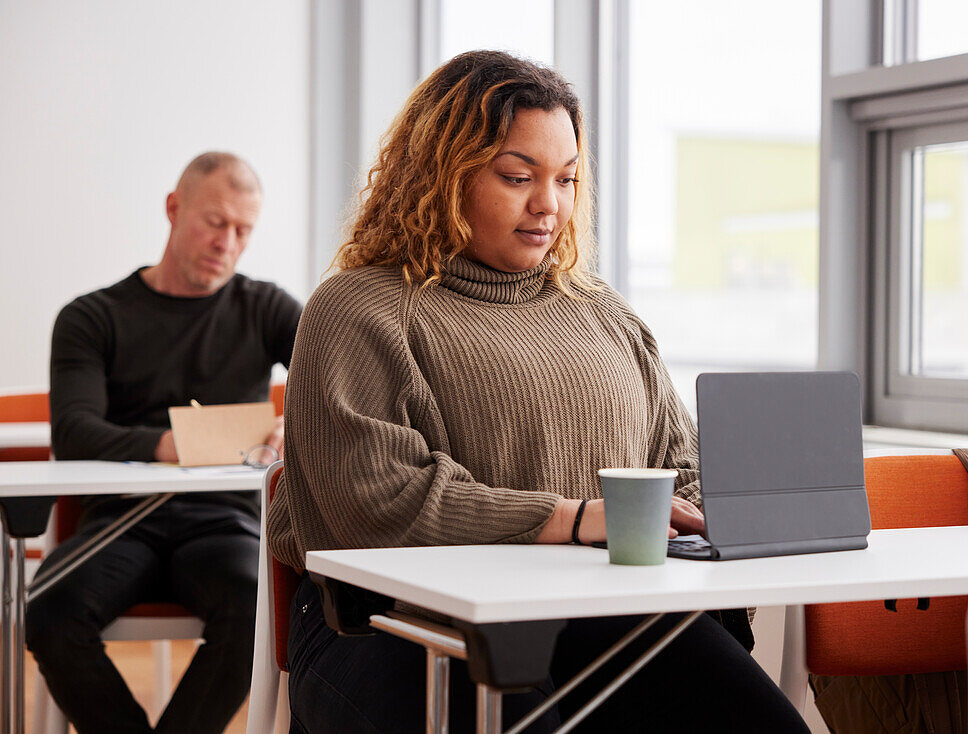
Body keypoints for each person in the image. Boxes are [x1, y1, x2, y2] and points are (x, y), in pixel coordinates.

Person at [268, 51, 809, 733]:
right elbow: (376, 506)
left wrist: (732, 516)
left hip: (598, 616)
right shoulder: (358, 309)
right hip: (386, 627)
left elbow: (681, 465)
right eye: (518, 176)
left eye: (567, 178)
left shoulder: (602, 311)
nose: (548, 204)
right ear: (442, 174)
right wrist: (575, 518)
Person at [28, 152, 302, 734]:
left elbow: (339, 379)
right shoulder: (92, 317)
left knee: (262, 611)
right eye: (215, 222)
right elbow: (75, 432)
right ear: (173, 209)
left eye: (243, 231)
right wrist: (179, 444)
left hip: (225, 523)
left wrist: (293, 425)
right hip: (120, 521)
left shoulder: (267, 308)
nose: (227, 242)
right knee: (48, 611)